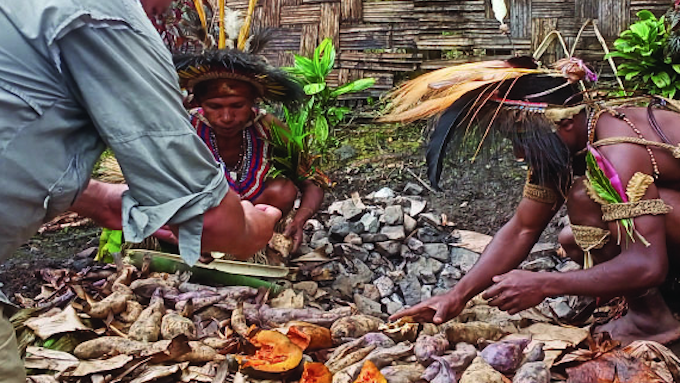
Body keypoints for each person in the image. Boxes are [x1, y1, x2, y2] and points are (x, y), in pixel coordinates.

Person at [0, 0, 280, 380]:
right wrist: (255, 227)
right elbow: (214, 222)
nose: (151, 25)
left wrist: (94, 197)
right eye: (157, 11)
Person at [381, 56, 680, 346]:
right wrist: (457, 296)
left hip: (652, 258)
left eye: (523, 141)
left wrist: (545, 284)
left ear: (564, 124)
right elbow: (522, 229)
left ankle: (651, 322)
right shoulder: (571, 141)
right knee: (572, 239)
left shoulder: (618, 150)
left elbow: (647, 264)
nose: (519, 154)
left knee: (585, 200)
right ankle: (668, 299)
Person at [166, 47, 327, 254]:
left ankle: (260, 246)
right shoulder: (184, 129)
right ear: (198, 103)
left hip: (257, 217)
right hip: (201, 219)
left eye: (237, 105)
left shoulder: (270, 128)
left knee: (283, 191)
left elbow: (313, 181)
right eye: (214, 106)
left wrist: (299, 220)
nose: (226, 117)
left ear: (253, 102)